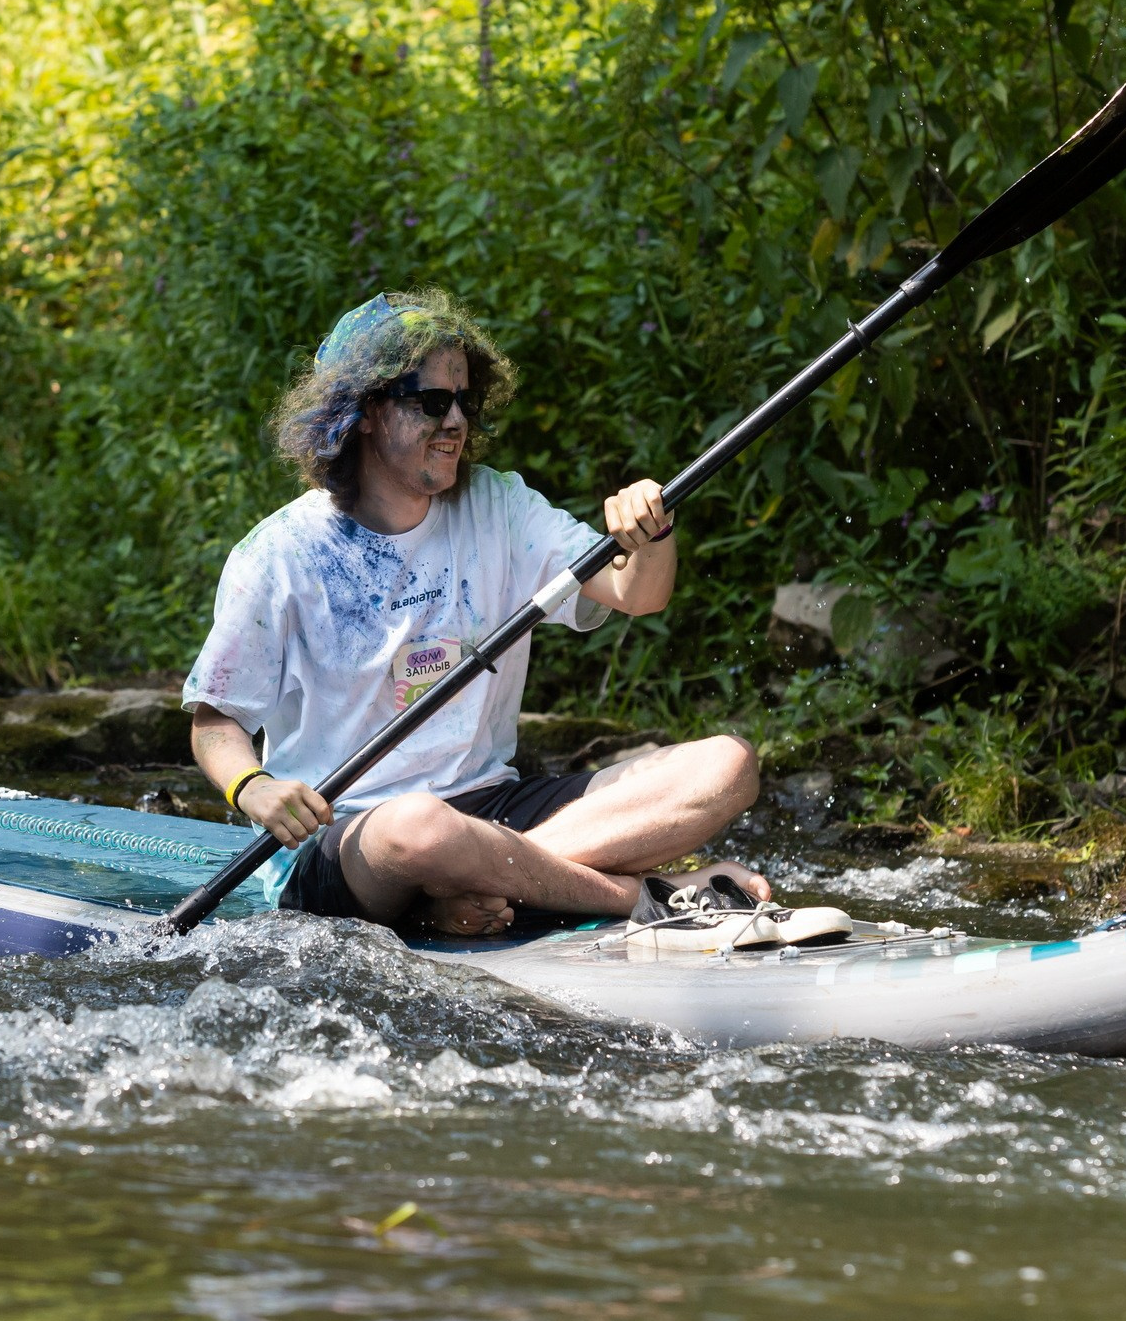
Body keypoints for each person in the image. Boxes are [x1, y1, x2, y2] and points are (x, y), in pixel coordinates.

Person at [182, 289, 775, 939]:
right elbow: (216, 722)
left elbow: (638, 593)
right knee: (419, 827)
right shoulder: (279, 554)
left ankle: (470, 889)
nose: (457, 420)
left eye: (465, 400)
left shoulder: (500, 505)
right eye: (433, 402)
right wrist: (254, 787)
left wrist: (650, 529)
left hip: (493, 810)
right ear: (367, 411)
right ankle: (637, 896)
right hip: (351, 835)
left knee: (726, 764)